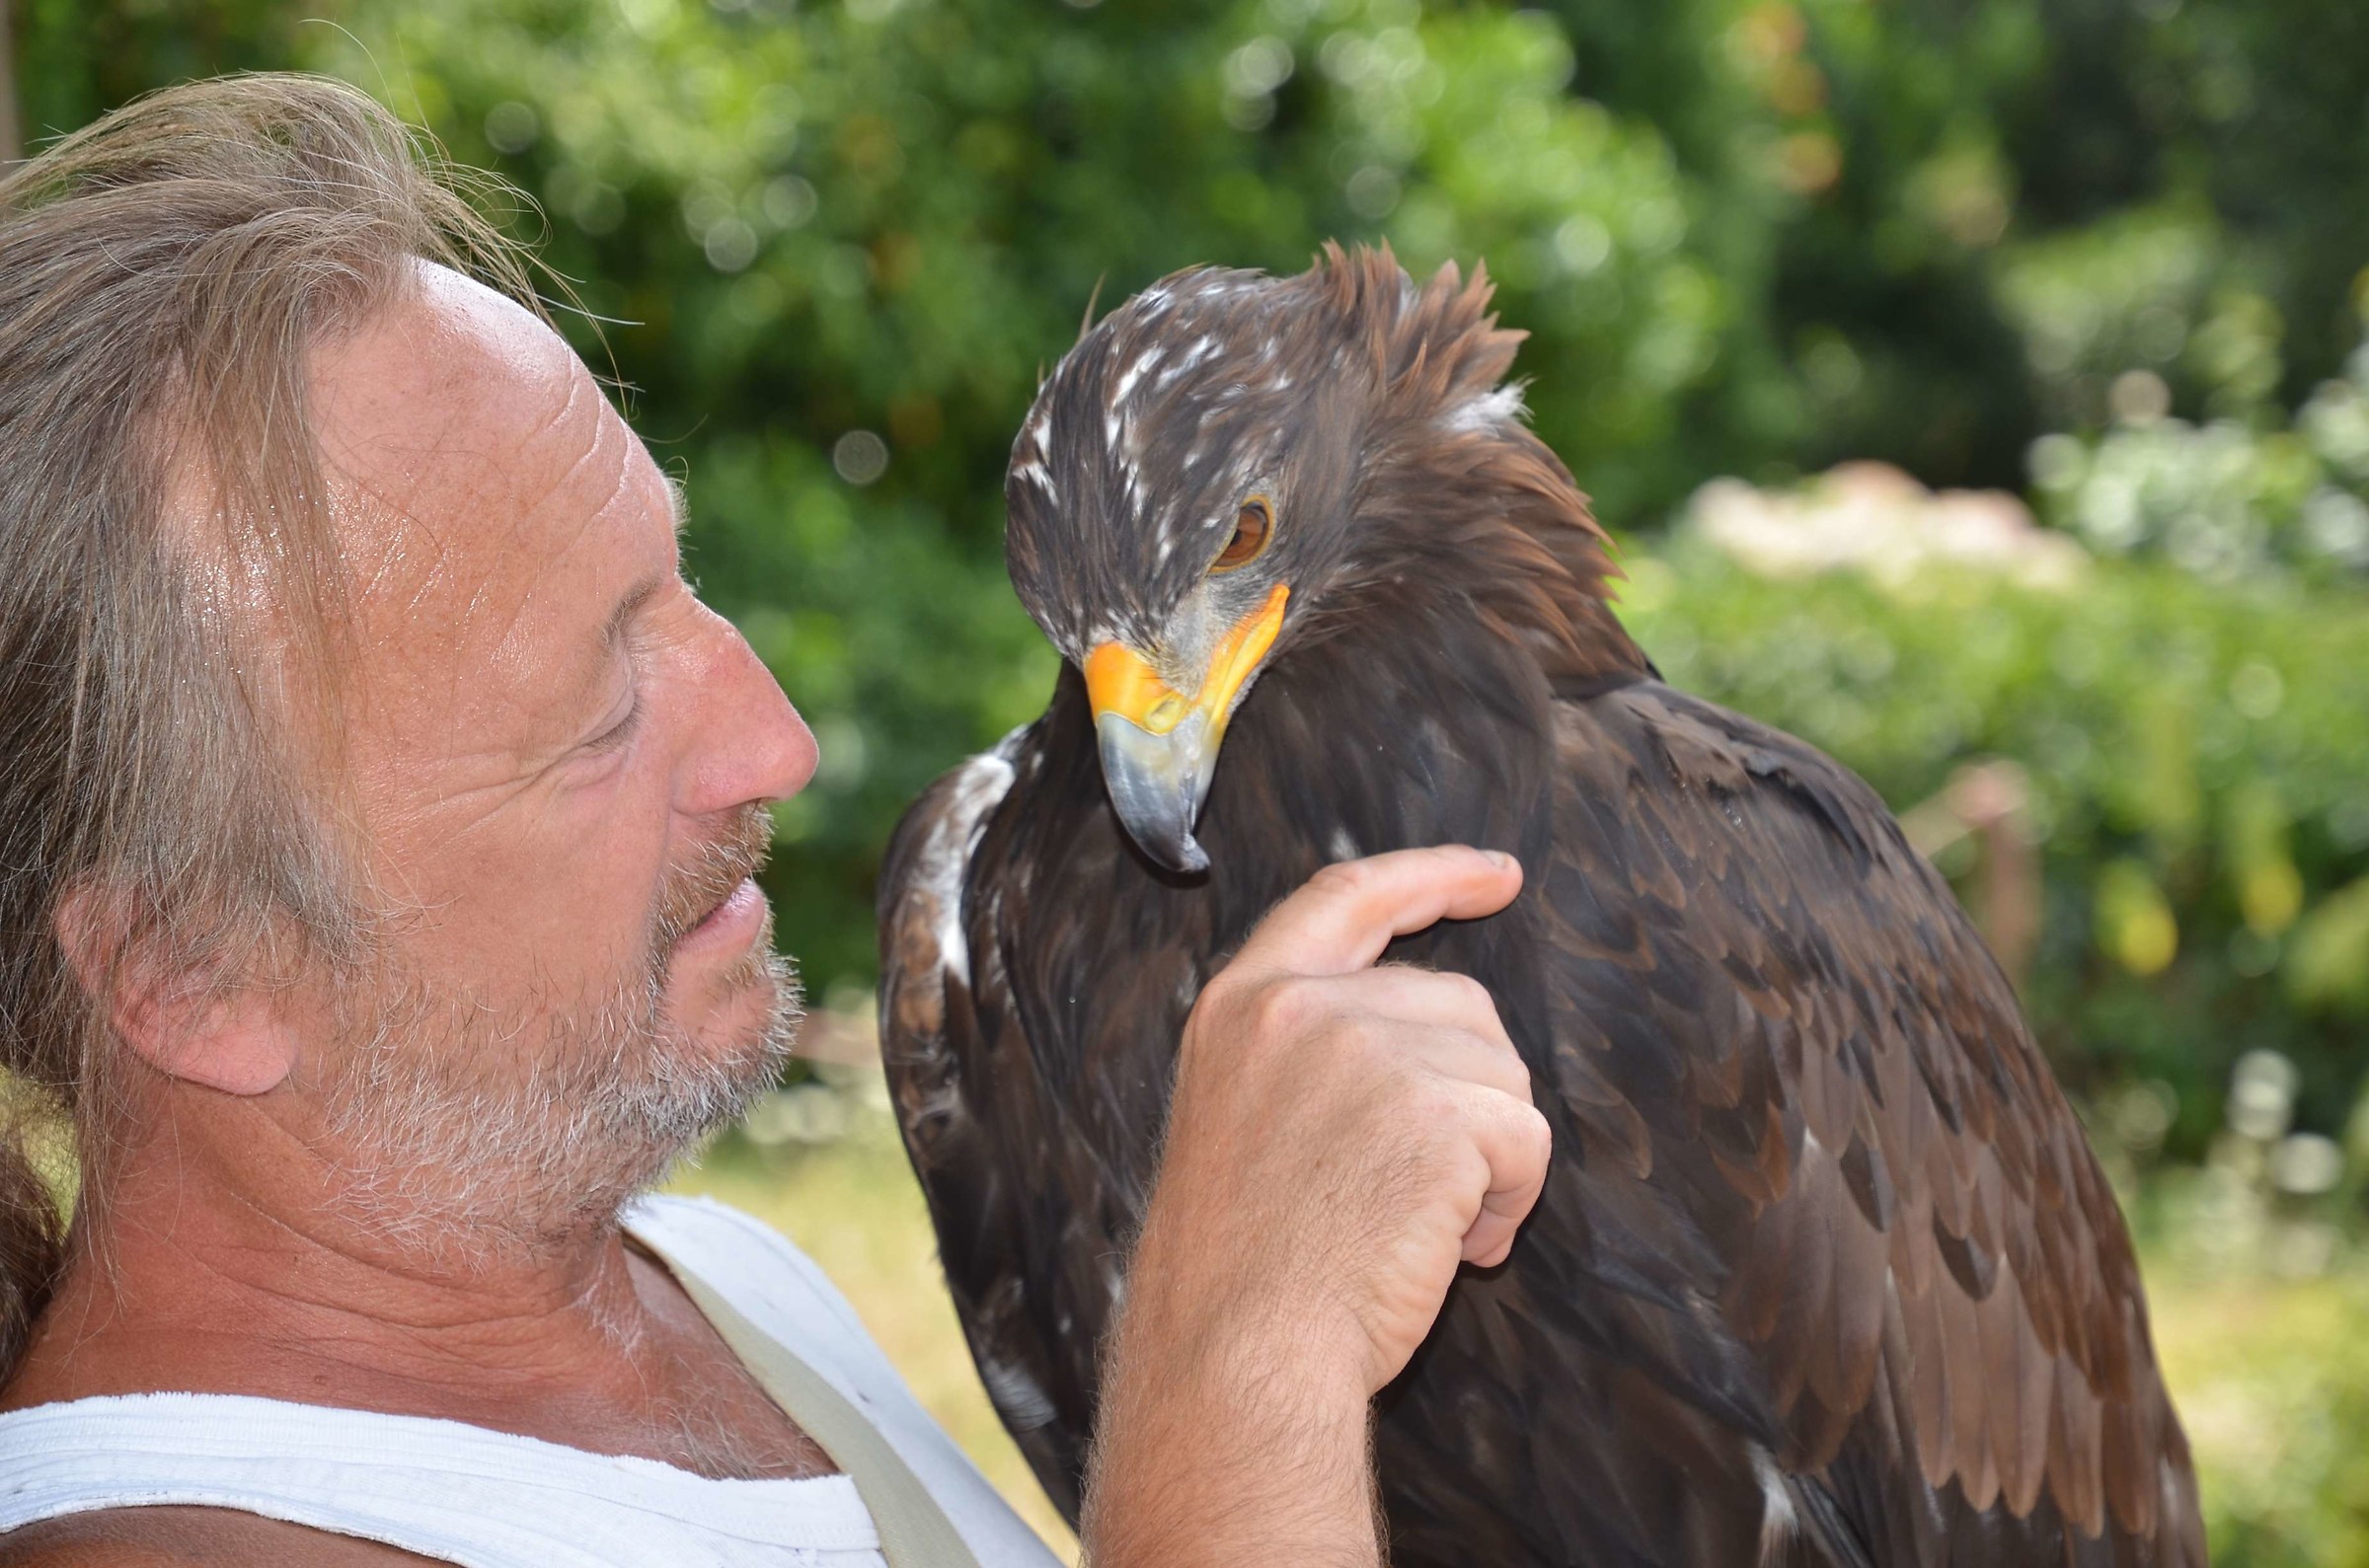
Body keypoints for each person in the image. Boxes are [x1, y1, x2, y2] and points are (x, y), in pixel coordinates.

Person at [0, 75, 1550, 1567]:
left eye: (675, 580)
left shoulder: (715, 1281)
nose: (777, 743)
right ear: (195, 967)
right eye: (600, 710)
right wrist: (1244, 1360)